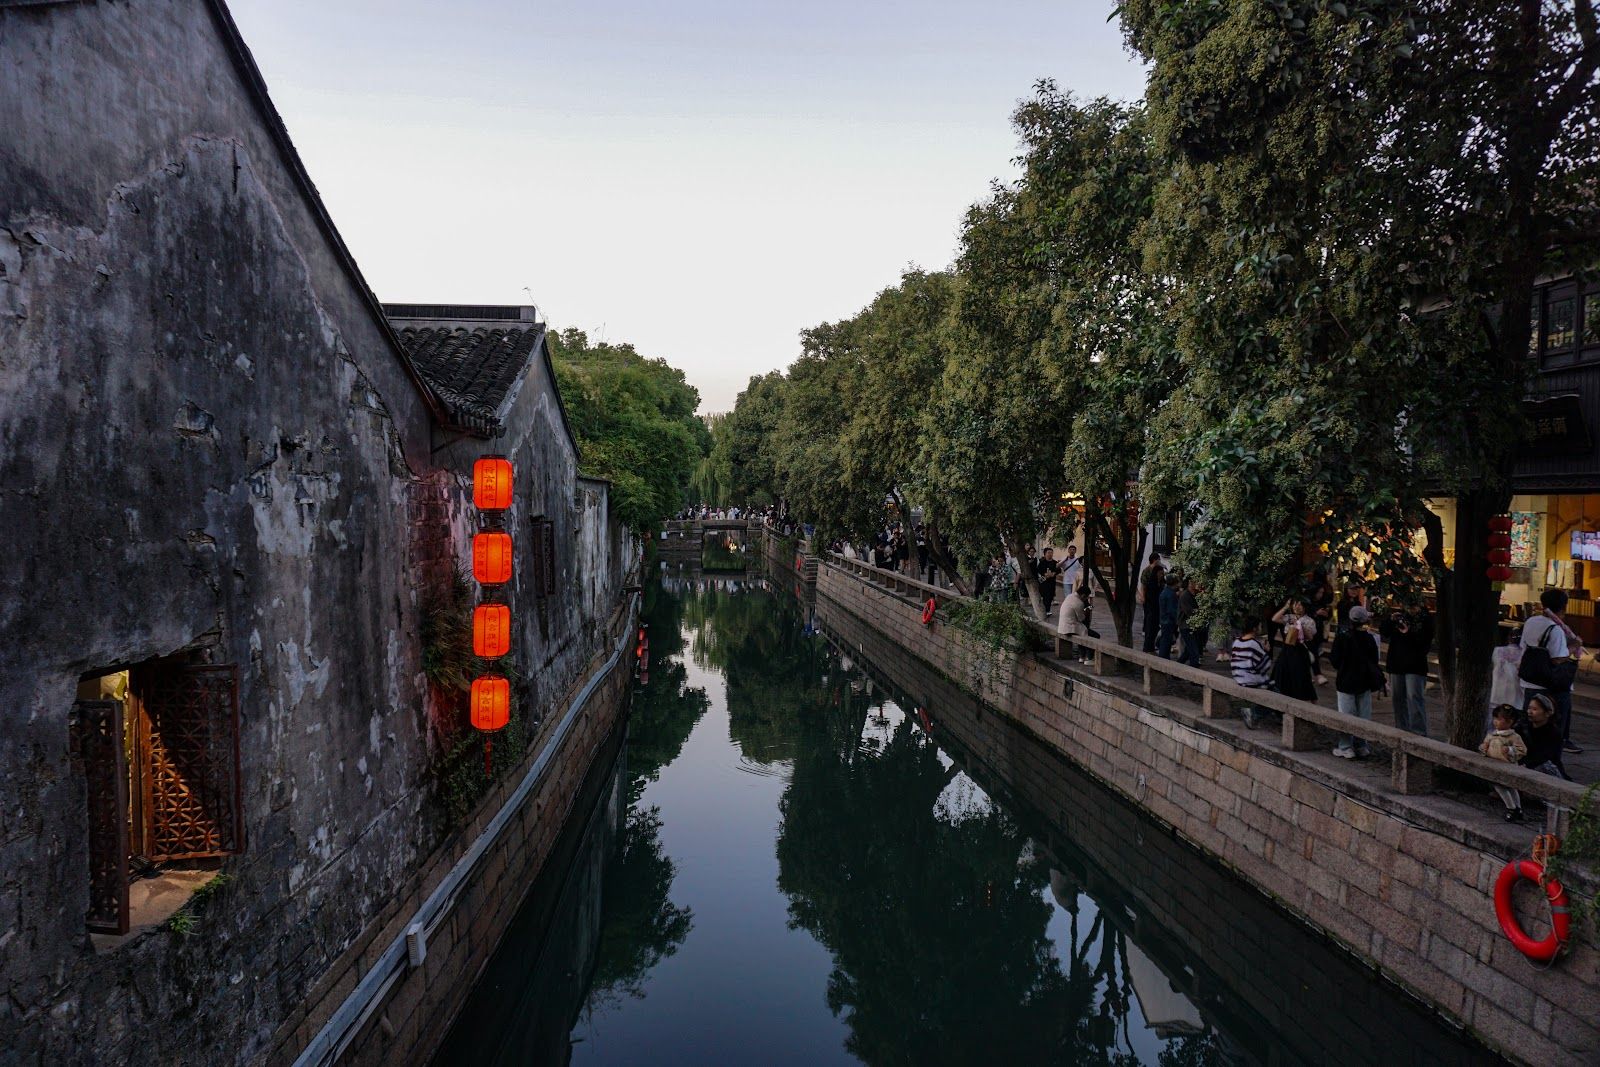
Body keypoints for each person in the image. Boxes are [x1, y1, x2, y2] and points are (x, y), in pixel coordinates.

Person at [1520, 588, 1581, 754]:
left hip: (1530, 679)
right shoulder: (1555, 629)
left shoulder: (1531, 621)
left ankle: (1529, 753)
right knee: (1552, 725)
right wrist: (1575, 646)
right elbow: (1557, 658)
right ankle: (1551, 756)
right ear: (1563, 607)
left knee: (1529, 722)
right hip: (1549, 684)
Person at [1329, 605, 1383, 759]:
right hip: (1364, 681)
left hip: (1346, 680)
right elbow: (1375, 660)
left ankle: (1346, 746)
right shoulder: (1370, 638)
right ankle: (1361, 745)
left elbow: (1335, 660)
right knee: (1363, 715)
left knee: (1346, 714)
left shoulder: (1342, 637)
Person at [1380, 602, 1434, 736]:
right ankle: (1401, 730)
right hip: (1397, 664)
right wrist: (1390, 619)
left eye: (1413, 606)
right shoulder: (1401, 617)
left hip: (1415, 666)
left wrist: (1408, 633)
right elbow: (1384, 632)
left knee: (1414, 698)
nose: (1410, 609)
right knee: (1398, 699)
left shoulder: (1425, 621)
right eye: (1408, 606)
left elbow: (1424, 645)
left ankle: (1418, 733)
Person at [1480, 704, 1529, 822]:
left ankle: (1514, 808)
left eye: (1499, 719)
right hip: (1494, 764)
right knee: (1499, 785)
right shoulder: (1491, 735)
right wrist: (1484, 748)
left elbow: (1522, 750)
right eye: (1495, 719)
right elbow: (1484, 746)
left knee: (1510, 786)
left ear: (1510, 722)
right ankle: (1513, 807)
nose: (1496, 722)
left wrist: (1510, 750)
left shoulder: (1513, 737)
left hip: (1508, 765)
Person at [1230, 617, 1274, 729]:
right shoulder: (1254, 643)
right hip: (1249, 679)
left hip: (1238, 677)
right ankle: (1255, 714)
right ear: (1254, 629)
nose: (1261, 629)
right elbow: (1265, 666)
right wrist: (1267, 651)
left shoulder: (1236, 641)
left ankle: (1246, 707)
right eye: (1260, 626)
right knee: (1276, 695)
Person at [1519, 691, 1571, 781]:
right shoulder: (1522, 727)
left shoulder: (1553, 733)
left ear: (1547, 713)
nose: (1530, 712)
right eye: (1529, 708)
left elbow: (1545, 756)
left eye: (1535, 709)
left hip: (1542, 768)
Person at [1270, 608, 1318, 701]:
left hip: (1299, 650)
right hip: (1287, 649)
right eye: (1296, 604)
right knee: (1282, 674)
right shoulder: (1290, 617)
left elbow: (1310, 637)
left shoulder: (1309, 620)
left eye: (1300, 604)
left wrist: (1300, 625)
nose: (1297, 606)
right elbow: (1274, 619)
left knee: (1300, 677)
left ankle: (1305, 701)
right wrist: (1285, 607)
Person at [1058, 582, 1099, 659]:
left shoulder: (1070, 596)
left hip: (1062, 625)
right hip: (1070, 627)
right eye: (1086, 597)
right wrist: (1086, 612)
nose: (1086, 599)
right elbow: (1081, 619)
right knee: (1094, 636)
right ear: (1083, 595)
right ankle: (1089, 658)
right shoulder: (1079, 603)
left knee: (1083, 632)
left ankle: (1081, 656)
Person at [1138, 553, 1165, 654]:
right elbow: (1143, 585)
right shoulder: (1147, 571)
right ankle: (1148, 647)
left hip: (1157, 608)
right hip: (1151, 606)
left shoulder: (1161, 581)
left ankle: (1152, 646)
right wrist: (1143, 597)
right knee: (1150, 626)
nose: (1162, 575)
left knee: (1155, 628)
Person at [1177, 578, 1203, 667]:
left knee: (1188, 652)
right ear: (1190, 583)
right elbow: (1189, 612)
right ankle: (1194, 676)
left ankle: (1176, 670)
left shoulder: (1196, 595)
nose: (1199, 584)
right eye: (1196, 582)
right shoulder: (1185, 596)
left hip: (1192, 626)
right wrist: (1201, 612)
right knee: (1194, 652)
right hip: (1186, 626)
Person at [1157, 573, 1182, 660]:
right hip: (1169, 621)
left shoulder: (1165, 592)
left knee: (1166, 640)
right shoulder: (1171, 594)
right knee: (1166, 642)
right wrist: (1177, 621)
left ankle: (1163, 657)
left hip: (1164, 620)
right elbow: (1172, 611)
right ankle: (1163, 658)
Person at [1036, 547, 1062, 617]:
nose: (1050, 554)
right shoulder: (1042, 563)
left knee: (1050, 596)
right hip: (1044, 583)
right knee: (1045, 596)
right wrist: (1044, 574)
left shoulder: (1055, 562)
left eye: (1051, 553)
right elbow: (1038, 570)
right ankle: (1046, 610)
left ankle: (1047, 609)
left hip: (1052, 582)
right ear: (1045, 554)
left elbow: (1059, 570)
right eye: (1048, 553)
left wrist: (1053, 573)